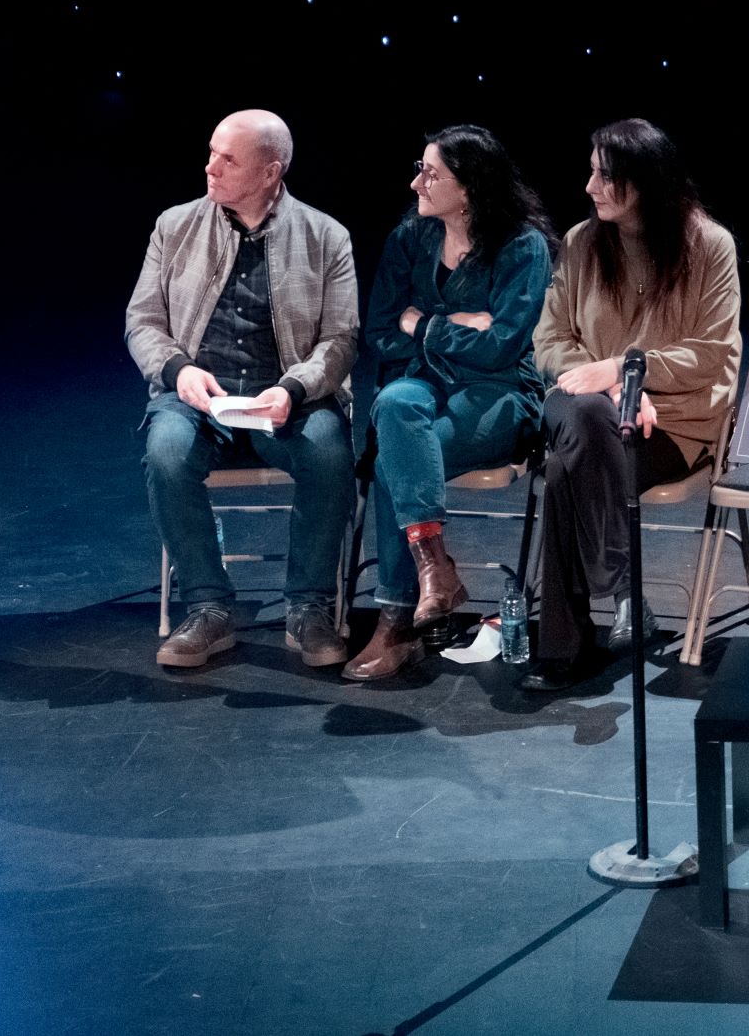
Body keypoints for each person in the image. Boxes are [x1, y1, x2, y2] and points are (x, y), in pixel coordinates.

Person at [125, 109, 358, 668]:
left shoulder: (326, 236)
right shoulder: (174, 226)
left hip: (285, 401)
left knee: (329, 451)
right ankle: (208, 606)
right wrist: (179, 369)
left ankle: (308, 606)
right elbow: (143, 321)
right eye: (211, 152)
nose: (210, 167)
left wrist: (294, 389)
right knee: (165, 452)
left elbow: (341, 338)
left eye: (227, 159)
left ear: (270, 172)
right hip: (198, 399)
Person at [521, 118, 741, 690]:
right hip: (588, 408)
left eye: (603, 175)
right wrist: (612, 391)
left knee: (566, 470)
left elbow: (714, 354)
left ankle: (562, 651)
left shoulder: (709, 246)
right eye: (591, 172)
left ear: (644, 182)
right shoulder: (580, 243)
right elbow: (549, 341)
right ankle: (623, 590)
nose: (589, 187)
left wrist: (628, 374)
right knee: (587, 419)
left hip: (672, 423)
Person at [344, 126, 557, 681]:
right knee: (394, 407)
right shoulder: (410, 237)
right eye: (419, 167)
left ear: (469, 187)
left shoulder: (521, 246)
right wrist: (457, 327)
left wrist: (429, 323)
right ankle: (433, 571)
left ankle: (396, 620)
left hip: (501, 393)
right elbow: (381, 332)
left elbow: (502, 346)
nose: (417, 181)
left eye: (431, 173)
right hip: (423, 381)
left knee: (398, 457)